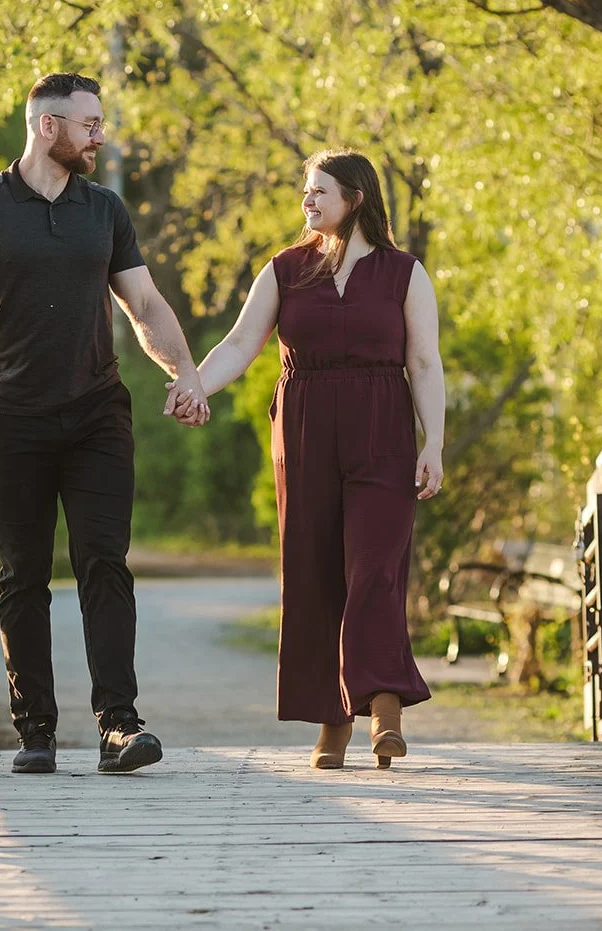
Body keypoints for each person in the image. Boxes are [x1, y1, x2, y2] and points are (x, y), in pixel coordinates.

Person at [0, 72, 209, 775]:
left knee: (104, 563)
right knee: (23, 572)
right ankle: (36, 731)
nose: (100, 135)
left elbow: (143, 304)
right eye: (90, 123)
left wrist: (186, 370)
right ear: (47, 126)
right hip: (14, 413)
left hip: (96, 412)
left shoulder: (104, 210)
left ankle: (119, 724)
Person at [167, 149, 445, 769]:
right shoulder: (286, 270)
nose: (308, 202)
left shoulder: (405, 274)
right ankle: (332, 721)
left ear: (357, 199)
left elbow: (424, 362)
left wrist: (436, 441)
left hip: (382, 428)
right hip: (304, 429)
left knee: (375, 569)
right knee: (315, 574)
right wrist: (194, 386)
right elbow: (242, 341)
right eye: (305, 192)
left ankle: (382, 712)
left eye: (320, 191)